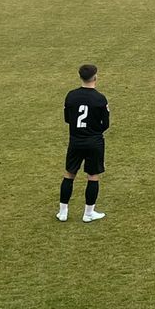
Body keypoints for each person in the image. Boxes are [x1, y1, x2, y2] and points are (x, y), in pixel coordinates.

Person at [57, 63, 110, 222]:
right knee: (92, 175)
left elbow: (67, 119)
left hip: (75, 140)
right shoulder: (100, 98)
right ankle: (88, 213)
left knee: (69, 174)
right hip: (94, 141)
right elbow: (105, 124)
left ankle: (63, 212)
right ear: (95, 77)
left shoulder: (71, 95)